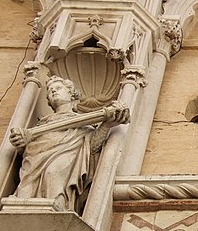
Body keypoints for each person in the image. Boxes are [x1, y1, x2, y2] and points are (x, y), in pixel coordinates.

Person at [9, 76, 128, 212]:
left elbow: (93, 147)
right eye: (50, 91)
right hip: (35, 157)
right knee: (27, 179)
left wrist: (107, 125)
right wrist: (19, 142)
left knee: (53, 172)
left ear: (72, 93)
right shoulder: (41, 125)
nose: (53, 92)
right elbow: (25, 148)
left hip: (65, 155)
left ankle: (58, 206)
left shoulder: (82, 123)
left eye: (58, 88)